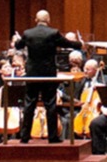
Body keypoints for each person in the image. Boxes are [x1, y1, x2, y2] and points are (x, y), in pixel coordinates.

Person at [13, 10, 84, 143]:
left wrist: (17, 40)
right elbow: (68, 44)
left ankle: (24, 136)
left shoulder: (28, 33)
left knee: (29, 104)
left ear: (36, 20)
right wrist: (79, 43)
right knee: (50, 104)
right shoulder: (53, 33)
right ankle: (52, 137)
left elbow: (18, 45)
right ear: (49, 20)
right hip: (48, 74)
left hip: (32, 74)